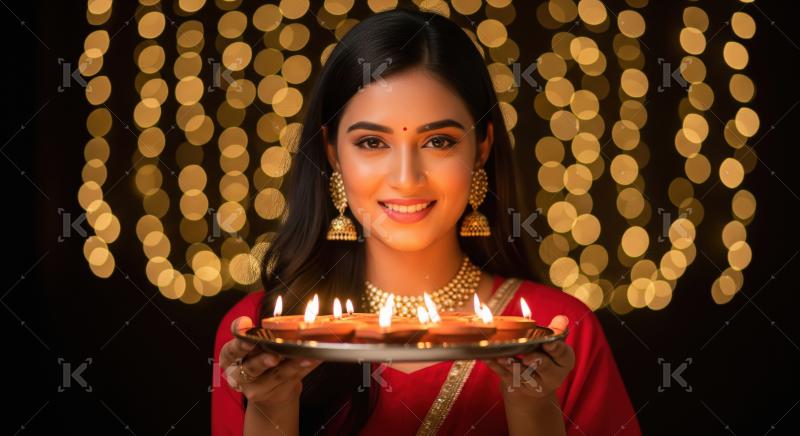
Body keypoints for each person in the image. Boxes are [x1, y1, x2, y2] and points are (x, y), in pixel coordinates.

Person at [213, 8, 641, 436]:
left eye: (438, 141)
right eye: (372, 142)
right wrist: (272, 406)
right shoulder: (264, 335)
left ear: (481, 148)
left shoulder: (555, 333)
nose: (406, 177)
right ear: (331, 153)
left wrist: (533, 408)